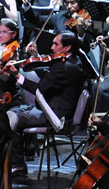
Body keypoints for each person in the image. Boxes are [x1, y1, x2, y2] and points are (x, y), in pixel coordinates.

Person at [7, 31, 88, 180]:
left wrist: (18, 76)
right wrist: (36, 56)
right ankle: (28, 151)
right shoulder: (75, 61)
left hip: (55, 115)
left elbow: (40, 89)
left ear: (67, 47)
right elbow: (47, 75)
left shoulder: (64, 67)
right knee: (14, 111)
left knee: (12, 119)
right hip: (56, 107)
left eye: (56, 44)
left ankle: (17, 165)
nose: (51, 47)